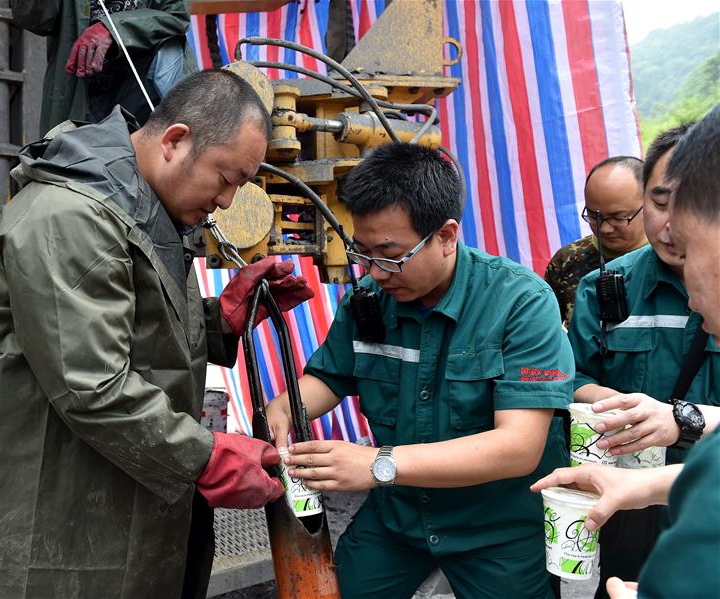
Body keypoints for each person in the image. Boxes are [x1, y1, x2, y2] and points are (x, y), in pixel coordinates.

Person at [0, 70, 316, 599]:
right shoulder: (70, 216)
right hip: (57, 517)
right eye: (227, 178)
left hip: (119, 500)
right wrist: (207, 456)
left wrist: (219, 321)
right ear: (175, 141)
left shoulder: (145, 207)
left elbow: (123, 327)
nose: (228, 202)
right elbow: (92, 382)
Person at [265, 143, 574, 599]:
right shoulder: (369, 300)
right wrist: (285, 408)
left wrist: (377, 464)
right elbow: (331, 377)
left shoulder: (522, 303)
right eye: (363, 253)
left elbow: (519, 447)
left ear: (446, 236)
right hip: (400, 519)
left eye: (390, 255)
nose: (375, 271)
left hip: (498, 531)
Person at [532, 104, 720, 599]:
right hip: (627, 482)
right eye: (661, 202)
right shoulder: (602, 286)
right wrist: (610, 402)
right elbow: (561, 375)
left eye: (688, 203)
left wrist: (682, 419)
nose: (671, 223)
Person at [13, 0, 195, 135]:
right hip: (78, 97)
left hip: (140, 97)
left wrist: (113, 29)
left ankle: (184, 138)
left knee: (171, 50)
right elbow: (33, 19)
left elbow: (176, 16)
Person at [544, 157, 647, 324]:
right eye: (594, 216)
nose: (604, 229)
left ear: (649, 204)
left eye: (618, 217)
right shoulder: (567, 261)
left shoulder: (671, 257)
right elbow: (547, 334)